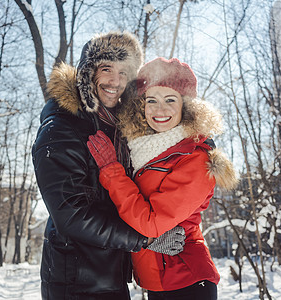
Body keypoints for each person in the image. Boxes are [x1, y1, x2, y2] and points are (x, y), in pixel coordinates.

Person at [32, 33, 185, 300]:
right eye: (106, 69)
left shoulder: (116, 128)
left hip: (110, 276)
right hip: (76, 284)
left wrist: (199, 139)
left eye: (124, 72)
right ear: (87, 74)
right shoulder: (61, 129)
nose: (116, 81)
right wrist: (145, 239)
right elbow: (71, 215)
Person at [87, 57, 239, 300]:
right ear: (142, 106)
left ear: (185, 107)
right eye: (152, 100)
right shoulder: (143, 149)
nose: (160, 110)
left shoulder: (196, 158)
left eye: (170, 100)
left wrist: (112, 170)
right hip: (157, 280)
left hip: (186, 279)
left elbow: (151, 223)